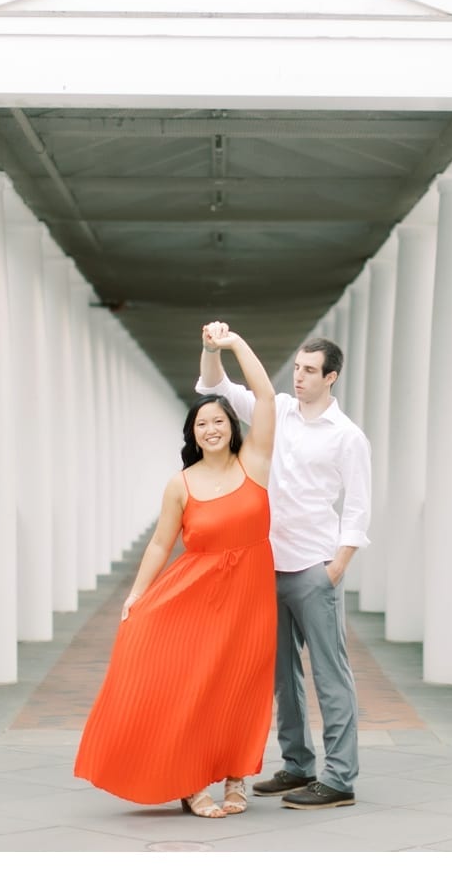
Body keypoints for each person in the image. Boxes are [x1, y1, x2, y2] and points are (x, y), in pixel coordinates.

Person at [74, 326, 277, 819]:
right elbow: (161, 544)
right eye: (201, 423)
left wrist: (230, 346)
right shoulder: (180, 484)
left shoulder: (254, 464)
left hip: (251, 599)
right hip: (196, 597)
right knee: (196, 687)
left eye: (218, 420)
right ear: (192, 434)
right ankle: (190, 781)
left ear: (232, 427)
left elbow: (267, 396)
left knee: (242, 686)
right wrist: (136, 596)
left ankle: (236, 778)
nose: (211, 428)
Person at [196, 322, 371, 810]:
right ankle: (298, 765)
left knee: (330, 675)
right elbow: (216, 387)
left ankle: (339, 778)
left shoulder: (348, 437)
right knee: (282, 675)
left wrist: (338, 564)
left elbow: (357, 507)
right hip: (268, 566)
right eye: (296, 367)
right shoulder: (281, 413)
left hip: (316, 568)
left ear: (331, 376)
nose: (299, 377)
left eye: (310, 371)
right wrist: (212, 348)